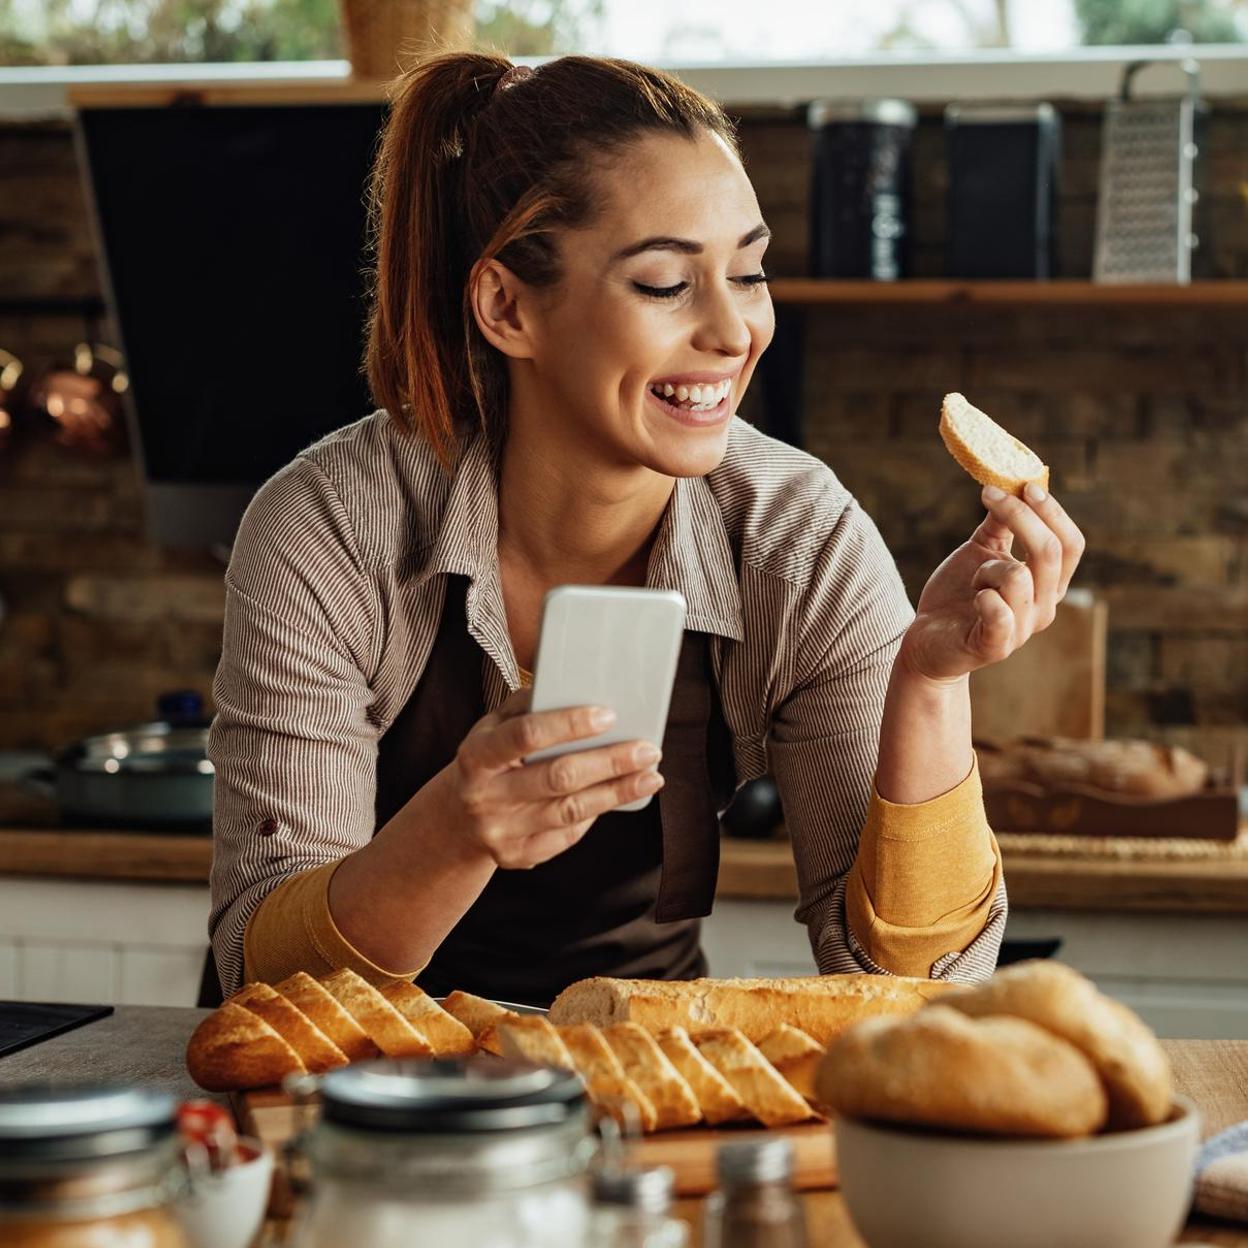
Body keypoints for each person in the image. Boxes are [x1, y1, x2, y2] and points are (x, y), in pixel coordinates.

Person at [208, 54, 1085, 1005]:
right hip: (346, 1093)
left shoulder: (798, 537)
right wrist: (453, 832)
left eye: (749, 273)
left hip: (635, 1068)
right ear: (507, 306)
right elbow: (261, 972)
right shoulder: (329, 528)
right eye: (667, 283)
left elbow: (917, 987)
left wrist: (929, 681)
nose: (734, 331)